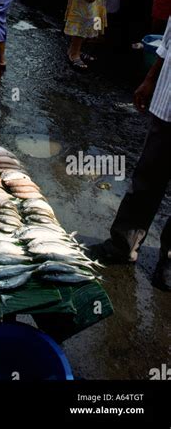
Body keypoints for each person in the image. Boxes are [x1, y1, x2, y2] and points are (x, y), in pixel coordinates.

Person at [90, 17, 171, 291]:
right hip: (167, 106)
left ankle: (169, 259)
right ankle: (122, 244)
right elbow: (166, 42)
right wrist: (150, 79)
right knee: (146, 179)